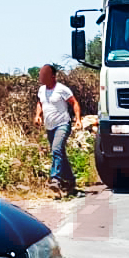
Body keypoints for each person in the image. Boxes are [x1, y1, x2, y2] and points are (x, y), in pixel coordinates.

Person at [34, 64, 81, 194]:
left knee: (56, 149)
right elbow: (39, 102)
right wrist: (38, 115)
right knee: (60, 153)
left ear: (53, 76)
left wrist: (78, 119)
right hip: (49, 127)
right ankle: (70, 181)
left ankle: (55, 179)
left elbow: (74, 103)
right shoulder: (41, 90)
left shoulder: (62, 89)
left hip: (62, 124)